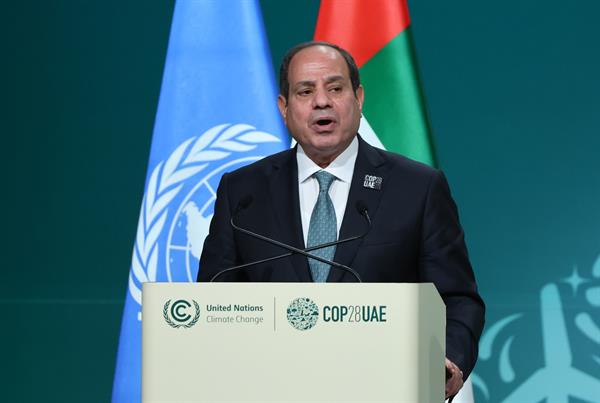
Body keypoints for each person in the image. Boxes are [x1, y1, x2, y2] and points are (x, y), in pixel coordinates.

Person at [197, 41, 485, 399]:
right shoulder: (243, 192)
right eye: (305, 91)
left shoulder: (417, 188)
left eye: (335, 88)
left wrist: (448, 360)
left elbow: (457, 299)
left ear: (358, 98)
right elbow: (214, 300)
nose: (322, 101)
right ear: (284, 107)